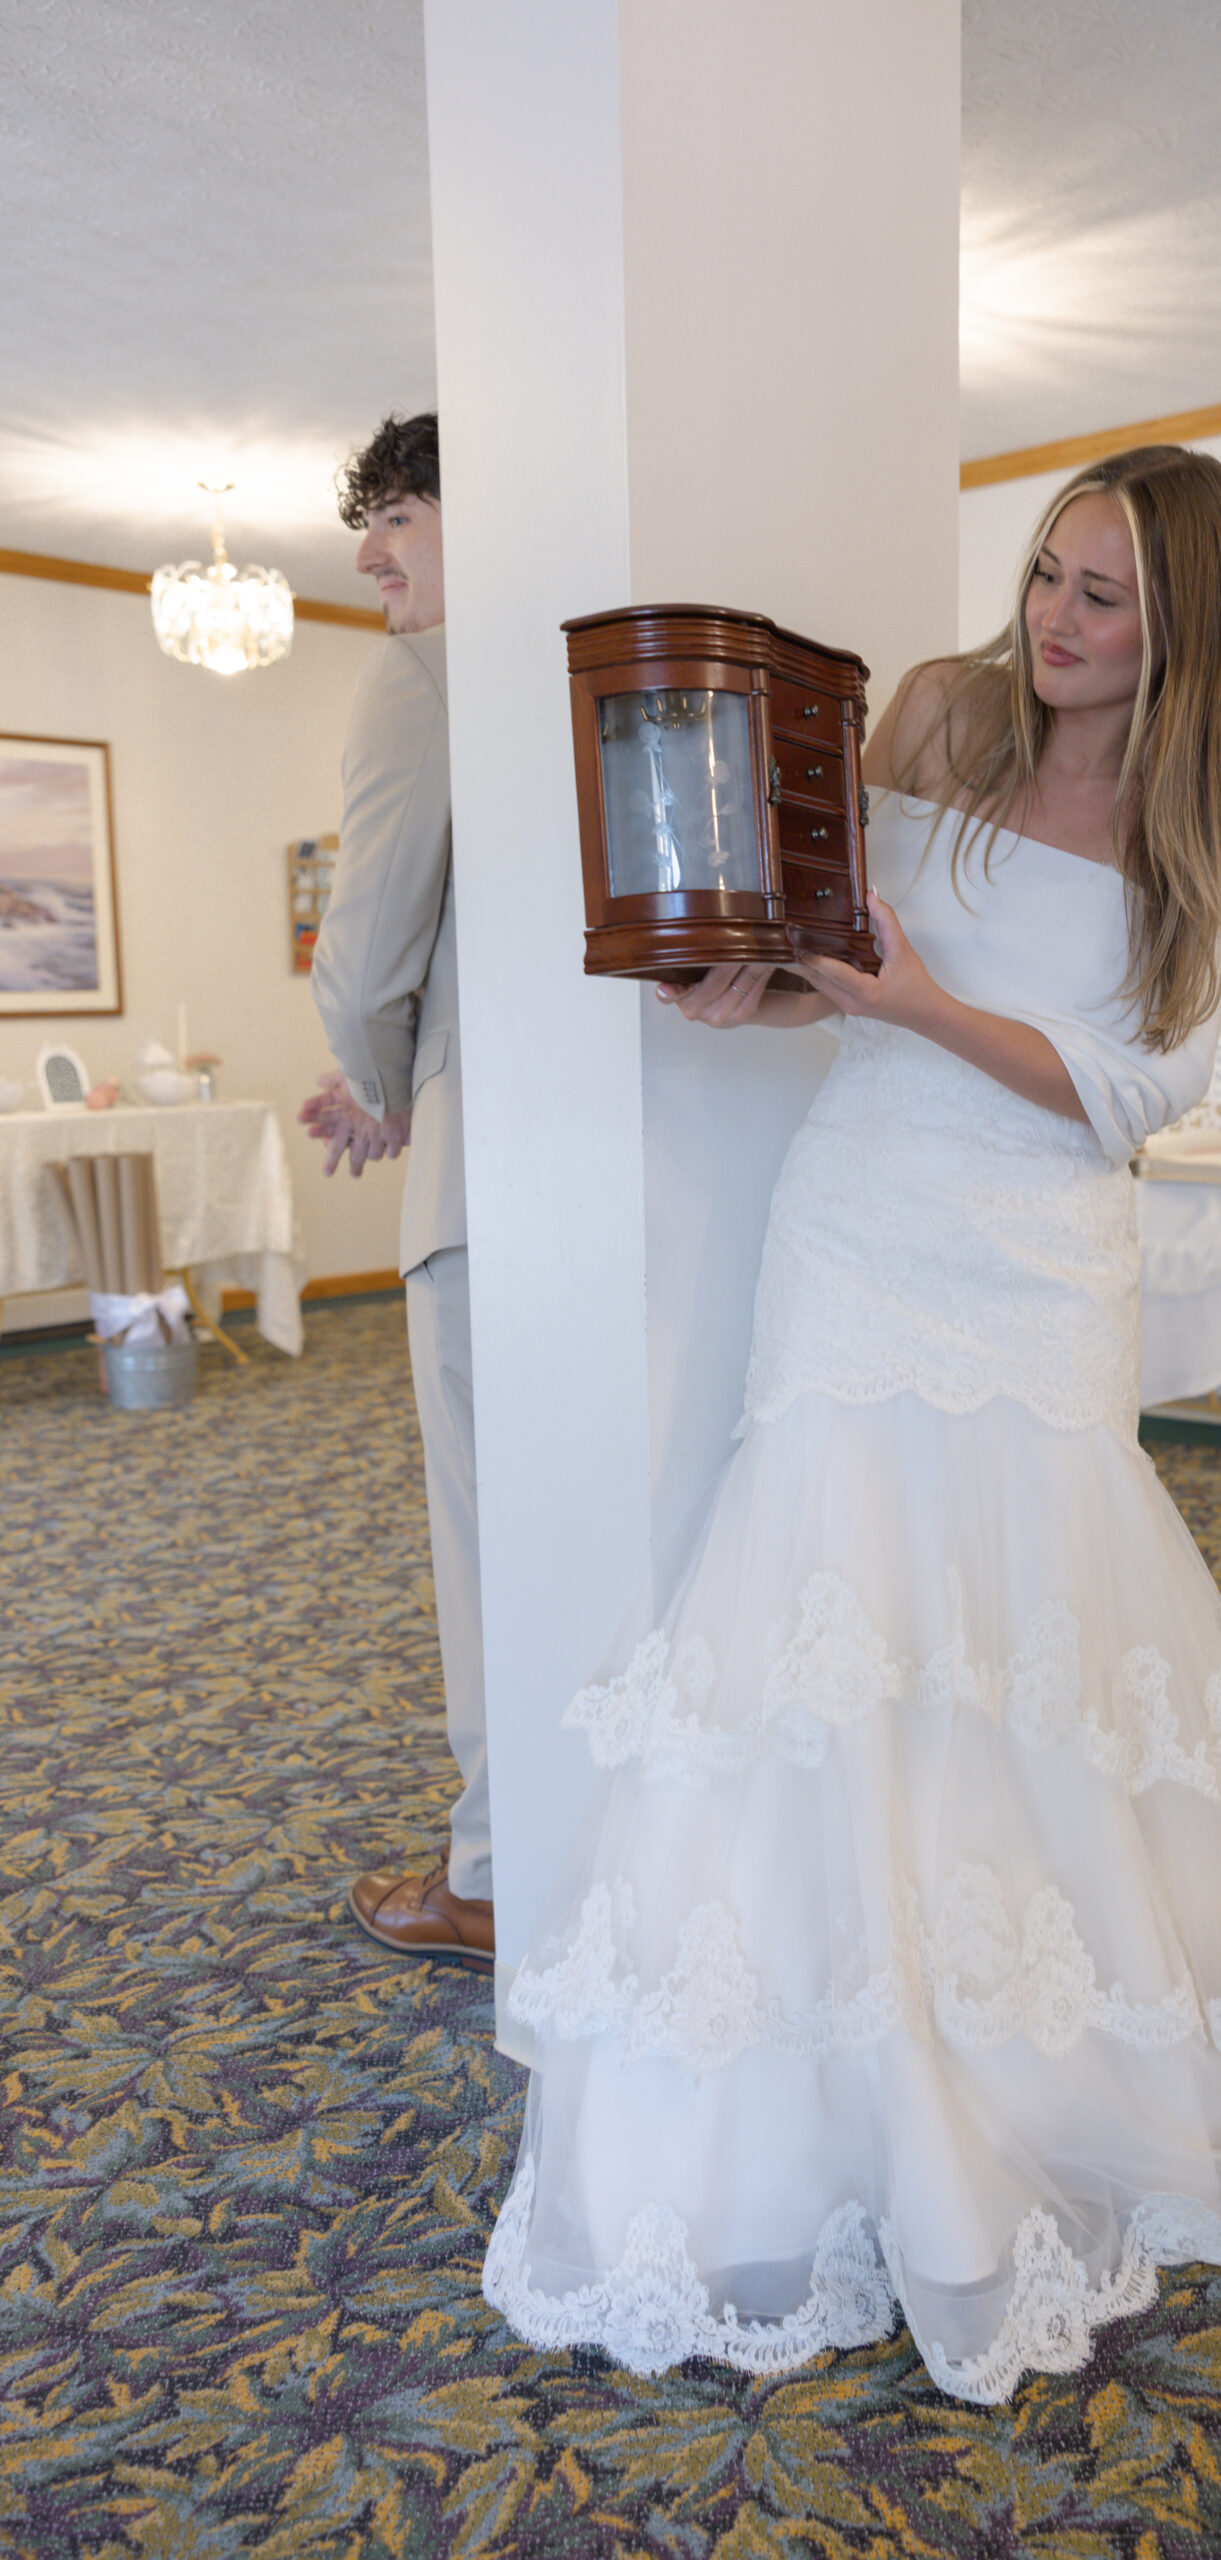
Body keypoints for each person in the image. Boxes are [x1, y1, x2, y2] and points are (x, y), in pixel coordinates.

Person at [481, 447, 1221, 2401]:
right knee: (835, 1626)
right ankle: (830, 2077)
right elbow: (838, 949)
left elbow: (1139, 1087)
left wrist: (895, 1004)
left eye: (1104, 602)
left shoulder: (1214, 809)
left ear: (1186, 630)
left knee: (1027, 1653)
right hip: (866, 1229)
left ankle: (1040, 2055)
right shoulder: (933, 711)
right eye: (1049, 575)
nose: (1054, 626)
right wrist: (764, 987)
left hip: (1045, 1260)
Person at [301, 412, 494, 1971]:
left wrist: (378, 1080)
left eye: (396, 517)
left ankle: (492, 1871)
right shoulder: (577, 673)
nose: (370, 555)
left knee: (490, 1543)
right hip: (618, 1175)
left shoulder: (420, 675)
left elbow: (363, 951)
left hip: (480, 1192)